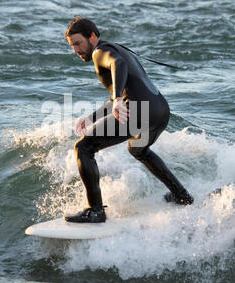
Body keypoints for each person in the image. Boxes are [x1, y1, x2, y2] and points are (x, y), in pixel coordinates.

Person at [64, 16, 193, 223]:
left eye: (78, 43)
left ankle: (95, 211)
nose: (76, 51)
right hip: (159, 110)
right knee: (138, 149)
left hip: (140, 111)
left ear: (92, 36)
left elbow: (118, 64)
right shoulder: (113, 48)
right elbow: (123, 92)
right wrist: (92, 118)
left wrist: (116, 99)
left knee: (83, 148)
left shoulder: (100, 52)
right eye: (72, 46)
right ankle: (181, 195)